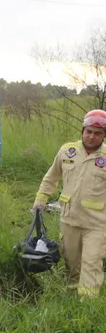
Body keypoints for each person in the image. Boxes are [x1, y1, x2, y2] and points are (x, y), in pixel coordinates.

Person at [34, 108, 106, 298]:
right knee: (72, 265)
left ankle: (88, 306)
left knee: (91, 263)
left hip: (97, 224)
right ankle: (73, 301)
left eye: (97, 133)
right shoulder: (67, 151)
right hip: (69, 220)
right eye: (88, 131)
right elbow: (51, 178)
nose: (92, 136)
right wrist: (40, 201)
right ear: (82, 130)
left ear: (104, 135)